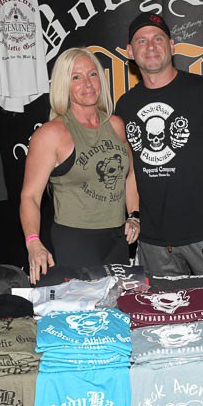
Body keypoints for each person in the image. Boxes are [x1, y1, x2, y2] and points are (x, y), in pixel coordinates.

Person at [115, 12, 203, 276]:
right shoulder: (125, 105)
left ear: (172, 45)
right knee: (160, 304)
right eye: (141, 41)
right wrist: (134, 215)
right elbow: (131, 171)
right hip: (152, 243)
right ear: (130, 52)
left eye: (158, 39)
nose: (150, 46)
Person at [20, 47, 140, 283]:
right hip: (75, 241)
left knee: (118, 303)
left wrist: (134, 215)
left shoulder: (116, 125)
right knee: (83, 306)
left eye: (92, 74)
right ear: (64, 85)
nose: (87, 83)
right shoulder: (52, 134)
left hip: (117, 240)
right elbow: (30, 196)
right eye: (76, 77)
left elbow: (130, 174)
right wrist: (33, 242)